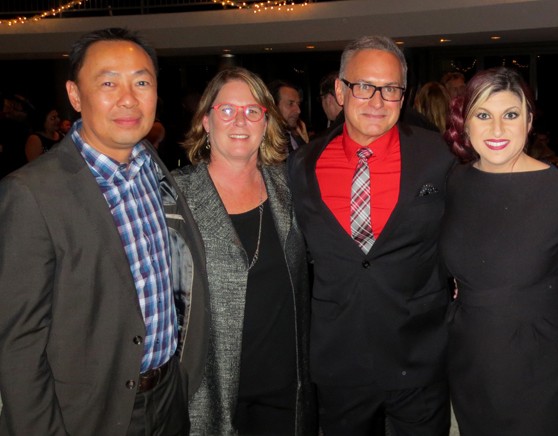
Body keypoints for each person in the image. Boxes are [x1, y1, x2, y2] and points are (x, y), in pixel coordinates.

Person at [0, 28, 209, 435]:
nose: (128, 98)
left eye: (142, 82)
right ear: (75, 96)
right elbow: (17, 344)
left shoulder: (158, 172)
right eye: (109, 82)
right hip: (88, 413)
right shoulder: (30, 193)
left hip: (167, 398)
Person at [289, 35, 456, 436]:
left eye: (391, 89)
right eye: (364, 86)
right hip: (339, 359)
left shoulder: (439, 156)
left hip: (419, 354)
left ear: (404, 93)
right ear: (340, 91)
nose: (378, 102)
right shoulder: (302, 164)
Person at [441, 67, 558, 435]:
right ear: (465, 124)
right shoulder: (456, 181)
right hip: (469, 353)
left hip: (538, 362)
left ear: (528, 122)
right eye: (483, 115)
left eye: (510, 115)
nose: (496, 129)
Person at [173, 67, 315, 435]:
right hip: (212, 390)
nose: (240, 121)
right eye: (227, 110)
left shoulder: (289, 187)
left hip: (285, 386)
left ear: (266, 121)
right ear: (206, 120)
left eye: (253, 111)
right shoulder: (175, 197)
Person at [269, 79, 308, 150]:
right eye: (290, 104)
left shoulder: (297, 137)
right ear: (274, 106)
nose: (298, 111)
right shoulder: (264, 143)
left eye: (298, 104)